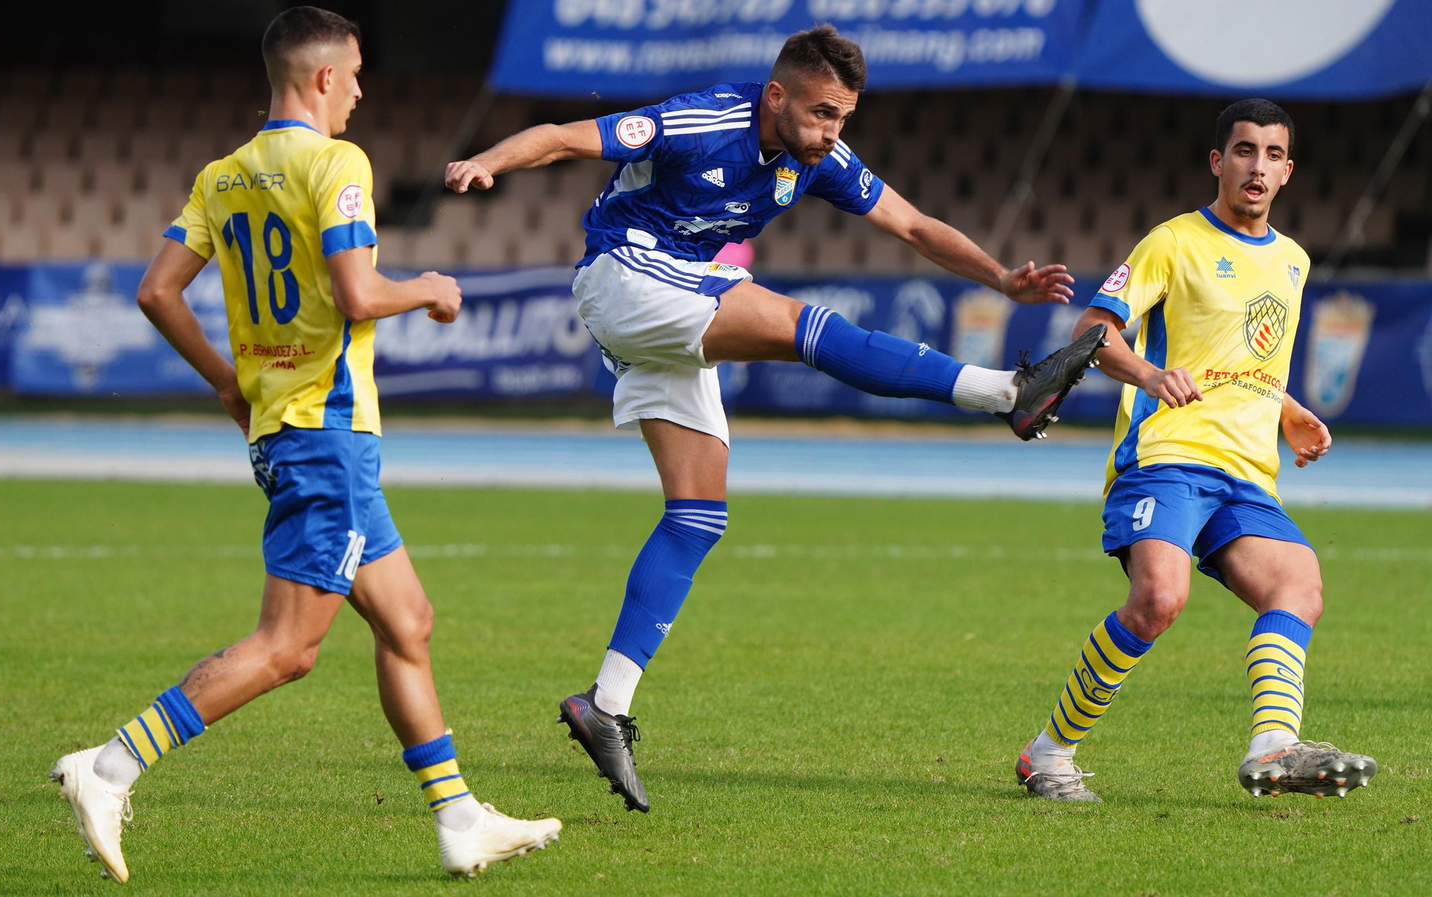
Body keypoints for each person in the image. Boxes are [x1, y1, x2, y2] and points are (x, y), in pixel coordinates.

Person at [445, 24, 1107, 813]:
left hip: (675, 291)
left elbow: (913, 224)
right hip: (624, 273)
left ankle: (606, 703)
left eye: (844, 118)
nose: (834, 133)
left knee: (697, 514)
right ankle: (1008, 394)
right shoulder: (701, 120)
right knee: (803, 326)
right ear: (776, 96)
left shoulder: (818, 155)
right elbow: (562, 137)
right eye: (824, 113)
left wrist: (1003, 277)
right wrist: (486, 160)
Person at [49, 6, 560, 880]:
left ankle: (460, 816)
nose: (360, 91)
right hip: (326, 431)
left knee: (408, 620)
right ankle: (109, 765)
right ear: (322, 77)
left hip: (287, 430)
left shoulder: (226, 173)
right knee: (289, 647)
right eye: (354, 74)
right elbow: (359, 294)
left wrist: (223, 379)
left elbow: (157, 292)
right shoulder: (336, 163)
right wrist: (430, 288)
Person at [1012, 99, 1376, 802]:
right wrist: (1148, 374)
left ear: (1289, 171)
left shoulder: (1294, 262)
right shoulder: (1172, 242)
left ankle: (1275, 746)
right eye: (1244, 151)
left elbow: (1248, 362)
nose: (1257, 167)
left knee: (1298, 585)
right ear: (1218, 161)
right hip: (1168, 456)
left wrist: (1292, 411)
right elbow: (1093, 329)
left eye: (1273, 155)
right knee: (1157, 598)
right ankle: (1047, 754)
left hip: (1245, 473)